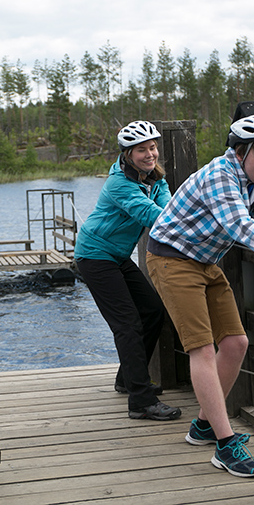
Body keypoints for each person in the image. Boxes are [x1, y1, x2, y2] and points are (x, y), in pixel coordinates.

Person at [146, 107, 254, 476]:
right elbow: (238, 224)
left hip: (205, 261)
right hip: (171, 258)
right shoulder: (220, 174)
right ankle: (225, 445)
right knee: (202, 348)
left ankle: (204, 425)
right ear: (240, 152)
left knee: (236, 343)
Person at [74, 120, 182, 421]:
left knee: (152, 311)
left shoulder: (155, 179)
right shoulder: (119, 184)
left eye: (152, 147)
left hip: (117, 256)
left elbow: (169, 210)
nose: (150, 154)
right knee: (127, 324)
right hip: (95, 255)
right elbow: (153, 216)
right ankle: (141, 401)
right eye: (141, 150)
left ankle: (128, 379)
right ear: (128, 155)